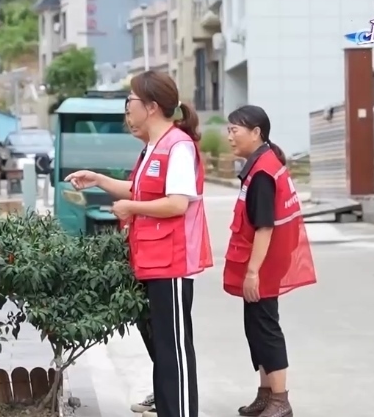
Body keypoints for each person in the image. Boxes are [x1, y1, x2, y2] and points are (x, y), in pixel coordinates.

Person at [66, 71, 212, 417]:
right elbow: (138, 190)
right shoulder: (153, 147)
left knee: (174, 350)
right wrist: (99, 179)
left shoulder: (178, 146)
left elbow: (177, 203)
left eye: (129, 101)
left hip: (171, 261)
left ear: (151, 106)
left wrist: (132, 209)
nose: (127, 109)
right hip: (149, 258)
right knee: (160, 347)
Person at [223, 105, 317, 417]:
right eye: (228, 130)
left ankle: (280, 400)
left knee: (265, 328)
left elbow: (265, 226)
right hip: (267, 262)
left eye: (235, 130)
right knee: (257, 328)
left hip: (263, 265)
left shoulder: (262, 172)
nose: (229, 136)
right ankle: (265, 394)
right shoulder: (263, 163)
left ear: (256, 133)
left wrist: (253, 272)